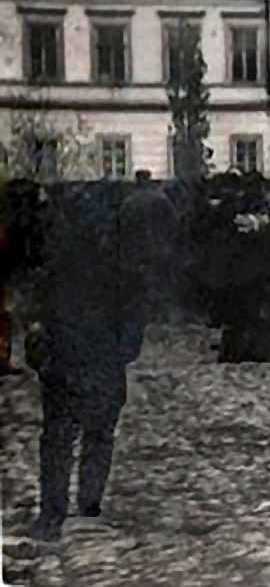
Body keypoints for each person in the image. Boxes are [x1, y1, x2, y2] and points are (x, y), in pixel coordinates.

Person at [26, 182, 150, 542]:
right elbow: (134, 309)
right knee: (98, 433)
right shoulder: (121, 259)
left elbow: (40, 307)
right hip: (102, 357)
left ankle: (52, 511)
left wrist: (41, 353)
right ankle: (89, 503)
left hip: (64, 356)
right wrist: (126, 349)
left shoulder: (58, 256)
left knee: (59, 436)